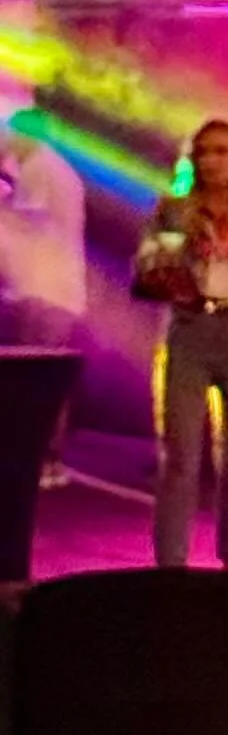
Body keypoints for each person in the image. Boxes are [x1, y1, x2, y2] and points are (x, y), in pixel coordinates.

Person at [134, 117, 228, 571]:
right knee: (179, 454)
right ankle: (171, 563)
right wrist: (171, 273)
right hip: (189, 329)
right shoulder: (174, 209)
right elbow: (145, 268)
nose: (211, 161)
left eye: (222, 151)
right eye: (203, 151)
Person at [0, 86, 88, 481]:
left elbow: (26, 224)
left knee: (33, 382)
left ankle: (39, 460)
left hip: (43, 292)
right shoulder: (57, 169)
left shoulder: (39, 168)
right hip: (56, 292)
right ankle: (46, 459)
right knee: (46, 379)